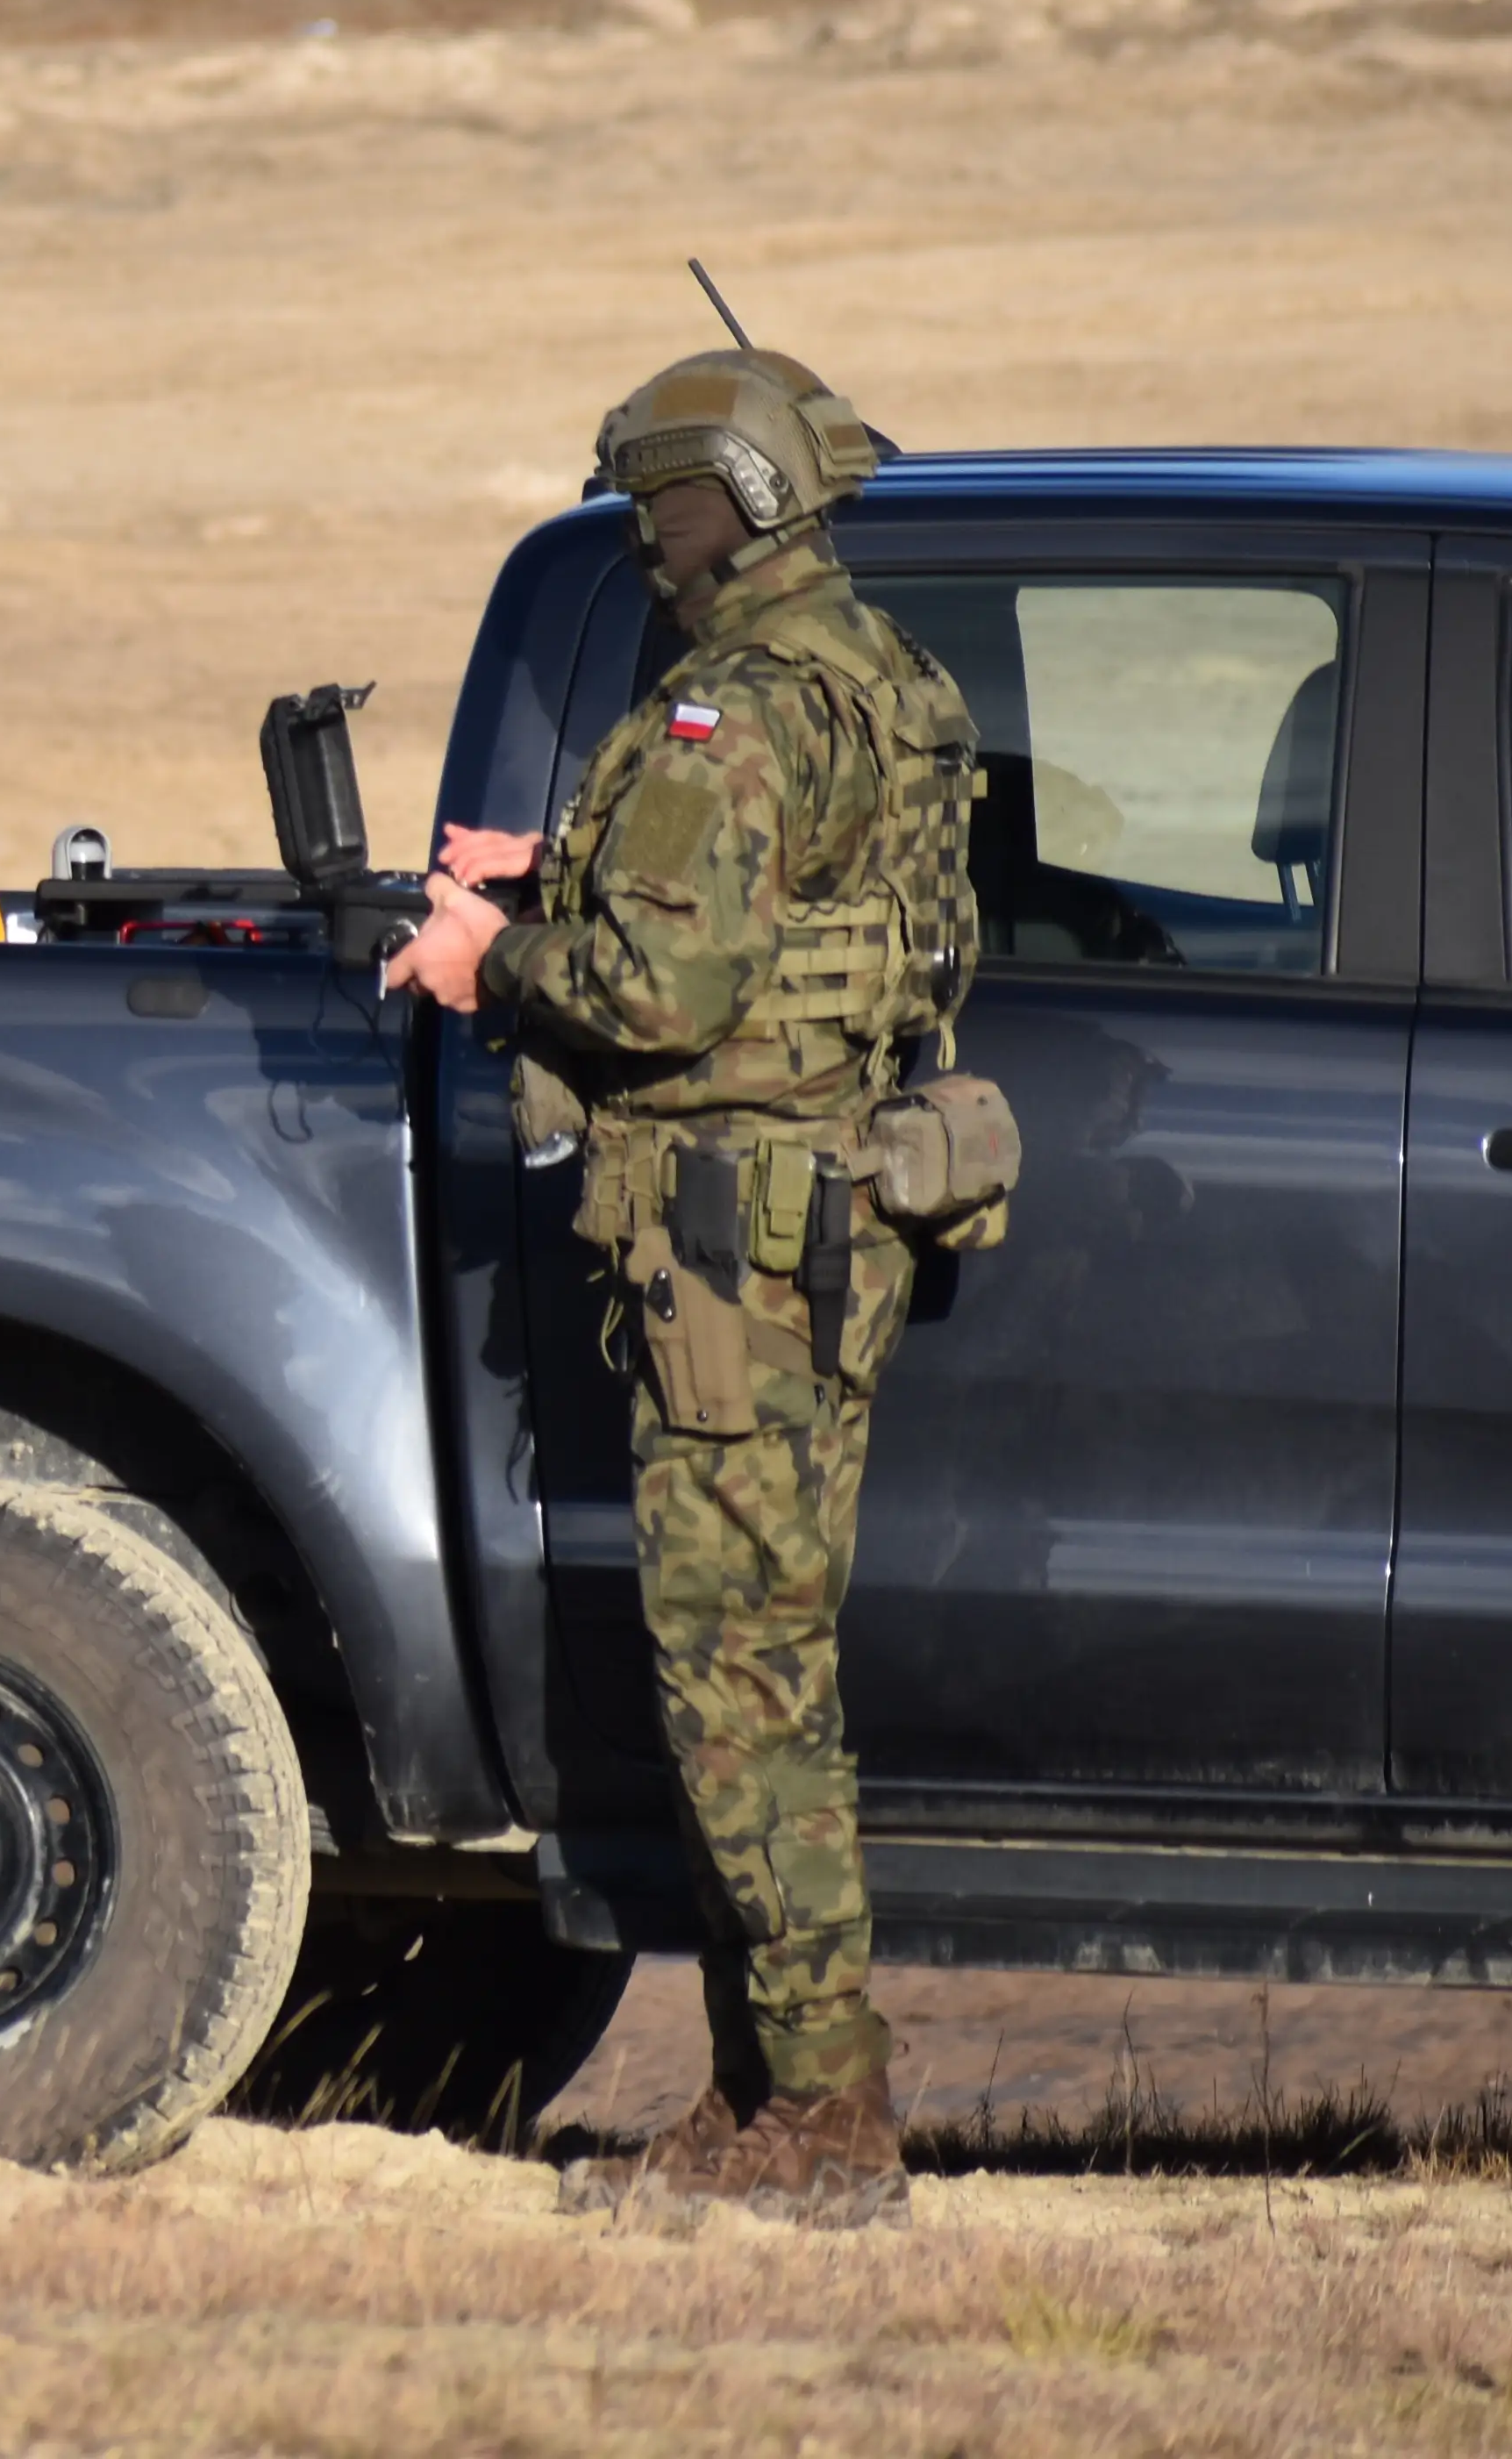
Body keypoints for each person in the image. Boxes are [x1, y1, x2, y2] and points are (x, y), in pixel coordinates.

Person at [382, 347, 982, 2228]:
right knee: (752, 1668)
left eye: (658, 504)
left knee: (742, 1688)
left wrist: (491, 958)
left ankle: (826, 2112)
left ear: (719, 503)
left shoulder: (736, 703)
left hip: (739, 1246)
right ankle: (762, 2092)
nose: (649, 540)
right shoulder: (880, 675)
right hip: (813, 1227)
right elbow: (803, 911)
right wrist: (558, 862)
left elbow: (660, 991)